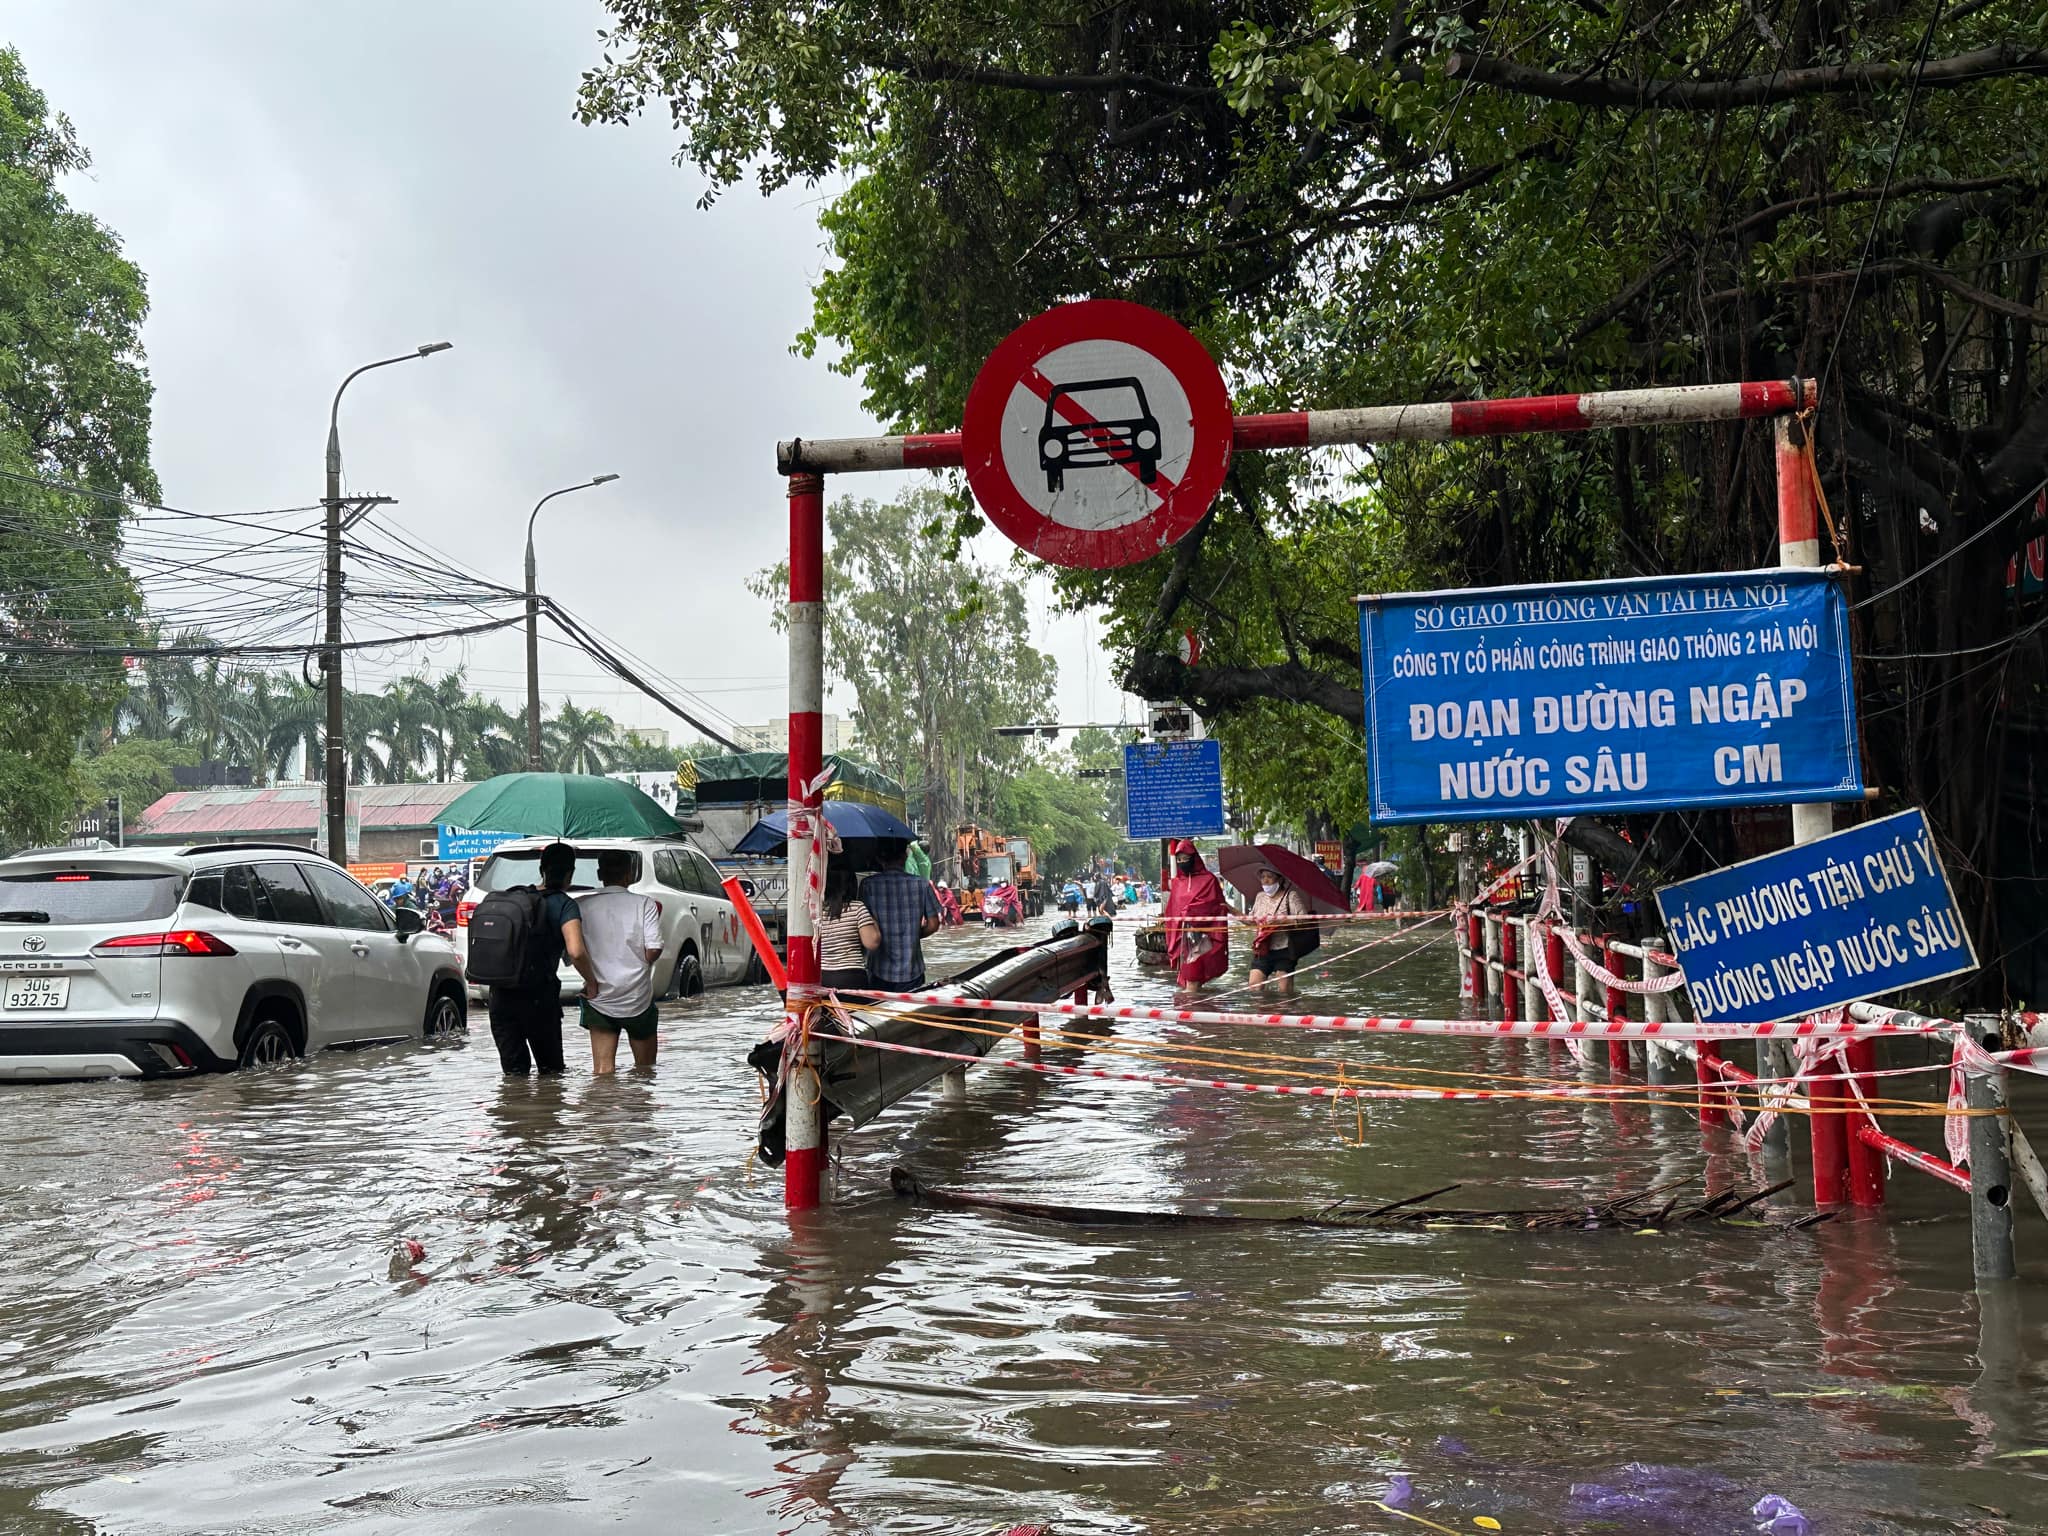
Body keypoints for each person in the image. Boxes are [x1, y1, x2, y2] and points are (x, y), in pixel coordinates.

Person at [487, 841, 597, 1075]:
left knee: (514, 1077)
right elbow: (576, 952)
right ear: (570, 874)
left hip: (500, 996)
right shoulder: (564, 905)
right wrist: (592, 982)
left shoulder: (514, 897)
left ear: (541, 869)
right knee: (551, 1074)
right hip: (539, 998)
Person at [576, 848, 665, 1074]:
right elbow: (654, 947)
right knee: (645, 1071)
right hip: (638, 996)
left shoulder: (581, 905)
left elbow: (574, 952)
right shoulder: (645, 904)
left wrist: (591, 978)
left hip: (599, 997)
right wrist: (641, 963)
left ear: (599, 874)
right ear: (630, 874)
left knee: (603, 1072)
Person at [864, 839, 941, 992]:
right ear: (905, 856)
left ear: (879, 858)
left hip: (879, 970)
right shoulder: (922, 884)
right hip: (912, 971)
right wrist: (912, 935)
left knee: (880, 1008)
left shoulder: (868, 885)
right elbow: (933, 924)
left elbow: (863, 924)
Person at [1162, 839, 1229, 993]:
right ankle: (1197, 1006)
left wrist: (1191, 912)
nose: (1182, 862)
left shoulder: (1209, 880)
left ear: (1194, 858)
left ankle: (1190, 1006)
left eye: (1185, 858)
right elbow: (1172, 909)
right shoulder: (1177, 883)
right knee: (1190, 982)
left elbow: (1215, 904)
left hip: (1203, 937)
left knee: (1192, 982)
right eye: (1179, 859)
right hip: (1182, 938)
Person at [1249, 869, 1314, 995]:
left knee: (1284, 992)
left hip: (1285, 949)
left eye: (1269, 877)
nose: (1265, 880)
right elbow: (1251, 921)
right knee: (1254, 988)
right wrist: (1232, 911)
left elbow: (1304, 920)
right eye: (1262, 877)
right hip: (1263, 947)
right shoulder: (1260, 896)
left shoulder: (1291, 896)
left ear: (1280, 879)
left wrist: (1282, 921)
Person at [816, 866, 881, 990]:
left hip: (823, 977)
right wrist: (873, 919)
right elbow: (872, 943)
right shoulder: (857, 908)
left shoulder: (816, 912)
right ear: (851, 885)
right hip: (852, 977)